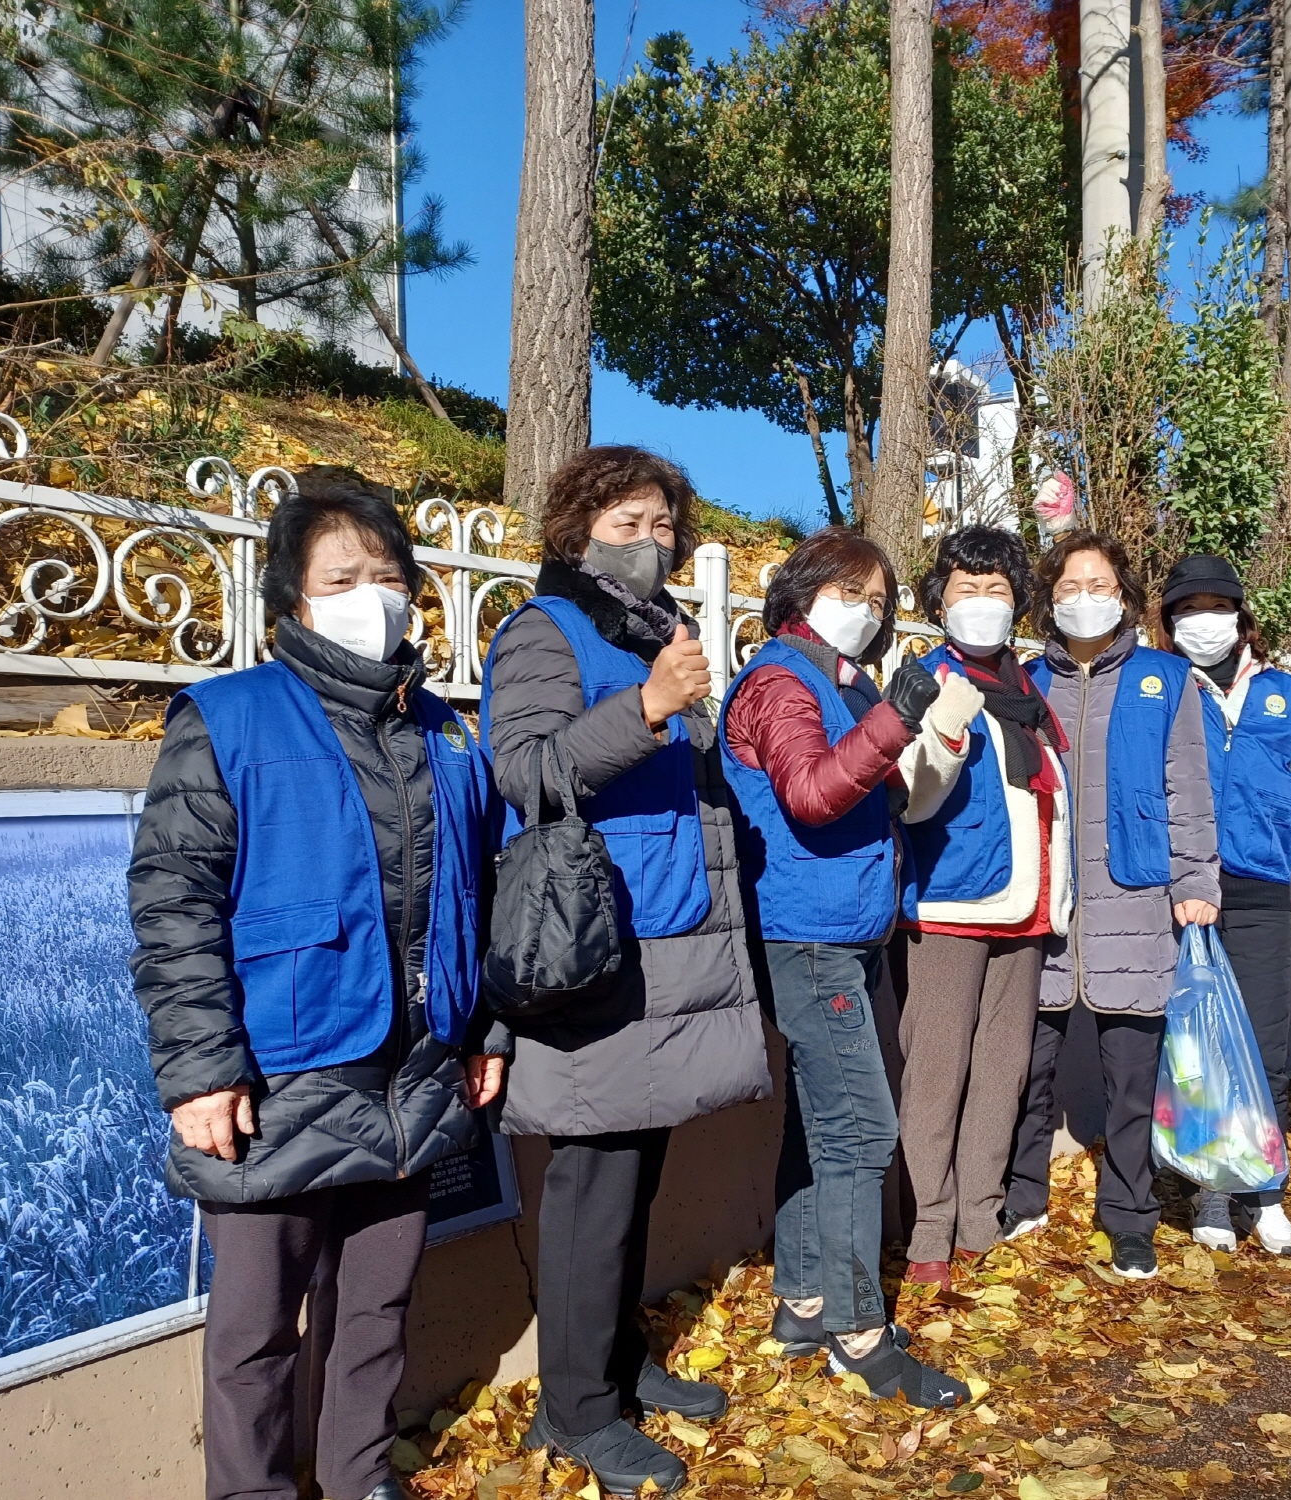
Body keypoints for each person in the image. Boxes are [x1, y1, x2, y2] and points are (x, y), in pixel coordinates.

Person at [129, 474, 502, 1500]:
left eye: (387, 576)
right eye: (341, 577)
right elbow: (173, 902)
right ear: (291, 602)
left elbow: (484, 893)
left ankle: (356, 1475)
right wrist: (201, 1071)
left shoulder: (444, 732)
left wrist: (489, 1033)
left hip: (419, 1069)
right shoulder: (227, 718)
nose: (369, 595)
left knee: (377, 1308)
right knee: (256, 1331)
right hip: (276, 1072)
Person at [479, 446, 772, 1497]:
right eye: (626, 523)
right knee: (591, 1186)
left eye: (661, 527)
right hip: (593, 951)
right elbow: (523, 771)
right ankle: (575, 1410)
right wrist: (646, 708)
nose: (649, 542)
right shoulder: (540, 632)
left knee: (636, 1175)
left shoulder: (658, 637)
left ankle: (614, 1360)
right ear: (574, 531)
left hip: (668, 943)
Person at [720, 526, 984, 1407]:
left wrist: (932, 738)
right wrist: (896, 719)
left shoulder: (848, 683)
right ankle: (859, 1331)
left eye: (879, 602)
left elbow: (886, 794)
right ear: (801, 593)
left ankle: (801, 1302)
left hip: (847, 932)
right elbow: (811, 794)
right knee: (865, 1132)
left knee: (819, 1124)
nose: (865, 615)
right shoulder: (776, 683)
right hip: (806, 938)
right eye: (849, 593)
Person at [1006, 530, 1222, 1279]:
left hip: (1139, 903)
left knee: (1134, 1083)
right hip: (1048, 911)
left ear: (1125, 597)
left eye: (1099, 584)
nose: (1084, 597)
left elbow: (1189, 794)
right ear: (1049, 598)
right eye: (1069, 586)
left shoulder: (1168, 680)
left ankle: (1131, 1217)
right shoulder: (1026, 683)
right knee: (1026, 1071)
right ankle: (1022, 1195)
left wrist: (1196, 886)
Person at [894, 525, 1073, 1288]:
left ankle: (980, 1216)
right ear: (939, 600)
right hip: (949, 904)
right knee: (935, 1072)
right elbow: (908, 795)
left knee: (1002, 1071)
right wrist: (942, 729)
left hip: (1026, 907)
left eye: (996, 589)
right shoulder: (925, 679)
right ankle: (929, 1230)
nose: (981, 603)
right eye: (965, 588)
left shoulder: (1030, 689)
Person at [1157, 554, 1291, 1258]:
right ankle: (1213, 1191)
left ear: (1239, 614)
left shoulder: (1288, 693)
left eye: (1215, 606)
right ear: (1169, 622)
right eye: (1187, 609)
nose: (1204, 620)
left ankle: (1266, 1190)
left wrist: (1262, 817)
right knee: (1198, 1046)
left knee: (1263, 1043)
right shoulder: (1163, 687)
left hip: (1259, 887)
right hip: (1184, 890)